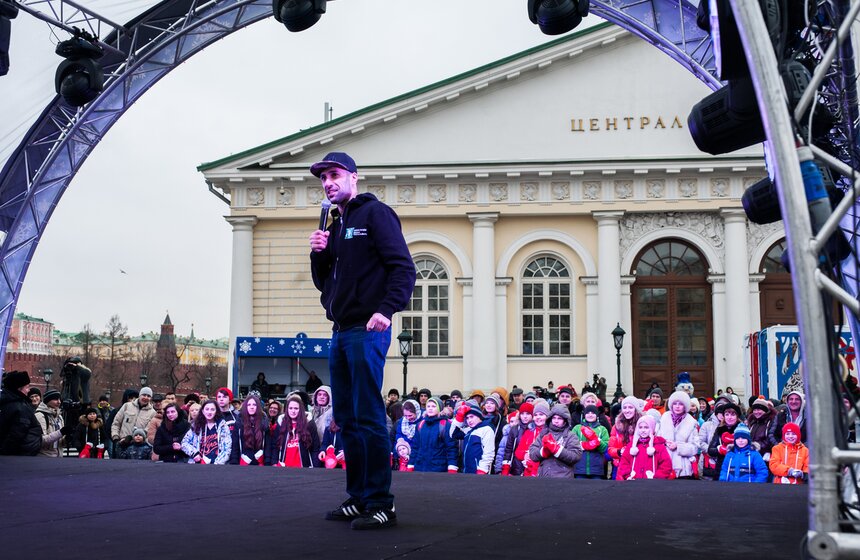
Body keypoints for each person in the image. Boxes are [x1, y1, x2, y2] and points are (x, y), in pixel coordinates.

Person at [309, 151, 415, 530]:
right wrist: (318, 255)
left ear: (354, 177)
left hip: (367, 329)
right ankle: (358, 497)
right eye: (323, 178)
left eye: (335, 175)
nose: (328, 183)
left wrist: (386, 309)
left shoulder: (375, 214)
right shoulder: (335, 225)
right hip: (340, 330)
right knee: (347, 419)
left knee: (369, 417)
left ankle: (381, 503)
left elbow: (403, 267)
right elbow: (325, 283)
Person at [528, 403, 582, 479]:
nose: (556, 421)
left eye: (559, 418)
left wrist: (557, 450)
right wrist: (543, 452)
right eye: (554, 418)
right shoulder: (544, 433)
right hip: (544, 477)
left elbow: (576, 456)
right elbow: (532, 454)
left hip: (563, 478)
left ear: (565, 420)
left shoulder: (571, 436)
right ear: (550, 419)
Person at [267, 395, 321, 468]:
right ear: (287, 409)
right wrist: (274, 462)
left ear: (301, 409)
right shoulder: (281, 424)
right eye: (290, 408)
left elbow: (315, 448)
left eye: (296, 408)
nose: (293, 411)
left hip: (304, 468)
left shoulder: (309, 424)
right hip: (284, 468)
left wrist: (315, 466)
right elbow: (275, 446)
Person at [658, 391, 701, 479]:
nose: (677, 406)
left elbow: (695, 447)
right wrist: (665, 443)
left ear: (685, 406)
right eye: (675, 404)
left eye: (680, 404)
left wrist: (678, 446)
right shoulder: (664, 418)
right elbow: (657, 439)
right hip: (664, 465)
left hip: (683, 468)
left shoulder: (691, 422)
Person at [0, 371, 44, 455]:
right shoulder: (21, 407)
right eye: (27, 387)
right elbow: (16, 434)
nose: (29, 390)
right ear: (19, 389)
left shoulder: (6, 402)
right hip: (20, 455)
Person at [616, 415, 673, 480]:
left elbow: (666, 465)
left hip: (653, 483)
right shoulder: (631, 446)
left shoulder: (659, 446)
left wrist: (656, 477)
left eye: (646, 427)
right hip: (634, 481)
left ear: (652, 428)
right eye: (640, 427)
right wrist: (628, 475)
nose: (643, 430)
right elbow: (624, 462)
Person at [410, 397, 458, 473]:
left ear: (440, 408)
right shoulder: (420, 425)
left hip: (438, 468)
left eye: (433, 406)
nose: (430, 408)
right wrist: (411, 464)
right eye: (428, 406)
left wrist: (452, 466)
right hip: (420, 467)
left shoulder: (445, 425)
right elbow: (415, 447)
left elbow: (451, 448)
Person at [450, 401, 496, 474]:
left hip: (479, 472)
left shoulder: (487, 429)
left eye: (472, 417)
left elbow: (489, 452)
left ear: (479, 416)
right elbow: (453, 434)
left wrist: (482, 470)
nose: (469, 420)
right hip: (466, 470)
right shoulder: (469, 430)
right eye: (467, 418)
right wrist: (459, 418)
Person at [181, 400, 231, 464]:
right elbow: (184, 443)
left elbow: (227, 449)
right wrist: (195, 453)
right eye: (207, 409)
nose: (209, 412)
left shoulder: (222, 426)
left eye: (212, 409)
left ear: (216, 411)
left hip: (217, 465)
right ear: (203, 411)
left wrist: (217, 464)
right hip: (199, 464)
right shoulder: (196, 426)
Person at [572, 404, 608, 479]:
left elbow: (605, 447)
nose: (590, 415)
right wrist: (586, 445)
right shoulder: (577, 428)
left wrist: (596, 440)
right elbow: (572, 444)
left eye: (593, 413)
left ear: (597, 415)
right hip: (580, 468)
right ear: (584, 415)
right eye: (588, 413)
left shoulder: (602, 429)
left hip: (597, 468)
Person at [500, 402, 536, 476]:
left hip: (531, 467)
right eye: (522, 414)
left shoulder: (536, 429)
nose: (525, 416)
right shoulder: (515, 429)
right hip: (516, 467)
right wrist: (506, 468)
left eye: (528, 414)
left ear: (532, 415)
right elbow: (508, 449)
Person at [232, 394, 268, 466]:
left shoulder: (264, 422)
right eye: (249, 405)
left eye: (254, 405)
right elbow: (235, 445)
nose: (251, 407)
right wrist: (234, 462)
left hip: (260, 463)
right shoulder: (239, 422)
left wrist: (267, 462)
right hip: (243, 462)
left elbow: (267, 445)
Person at [35, 390, 66, 458]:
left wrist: (68, 438)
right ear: (47, 401)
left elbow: (61, 442)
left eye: (59, 399)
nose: (59, 402)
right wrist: (61, 432)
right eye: (55, 399)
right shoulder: (40, 415)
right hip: (44, 457)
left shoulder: (59, 417)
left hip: (59, 457)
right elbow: (41, 440)